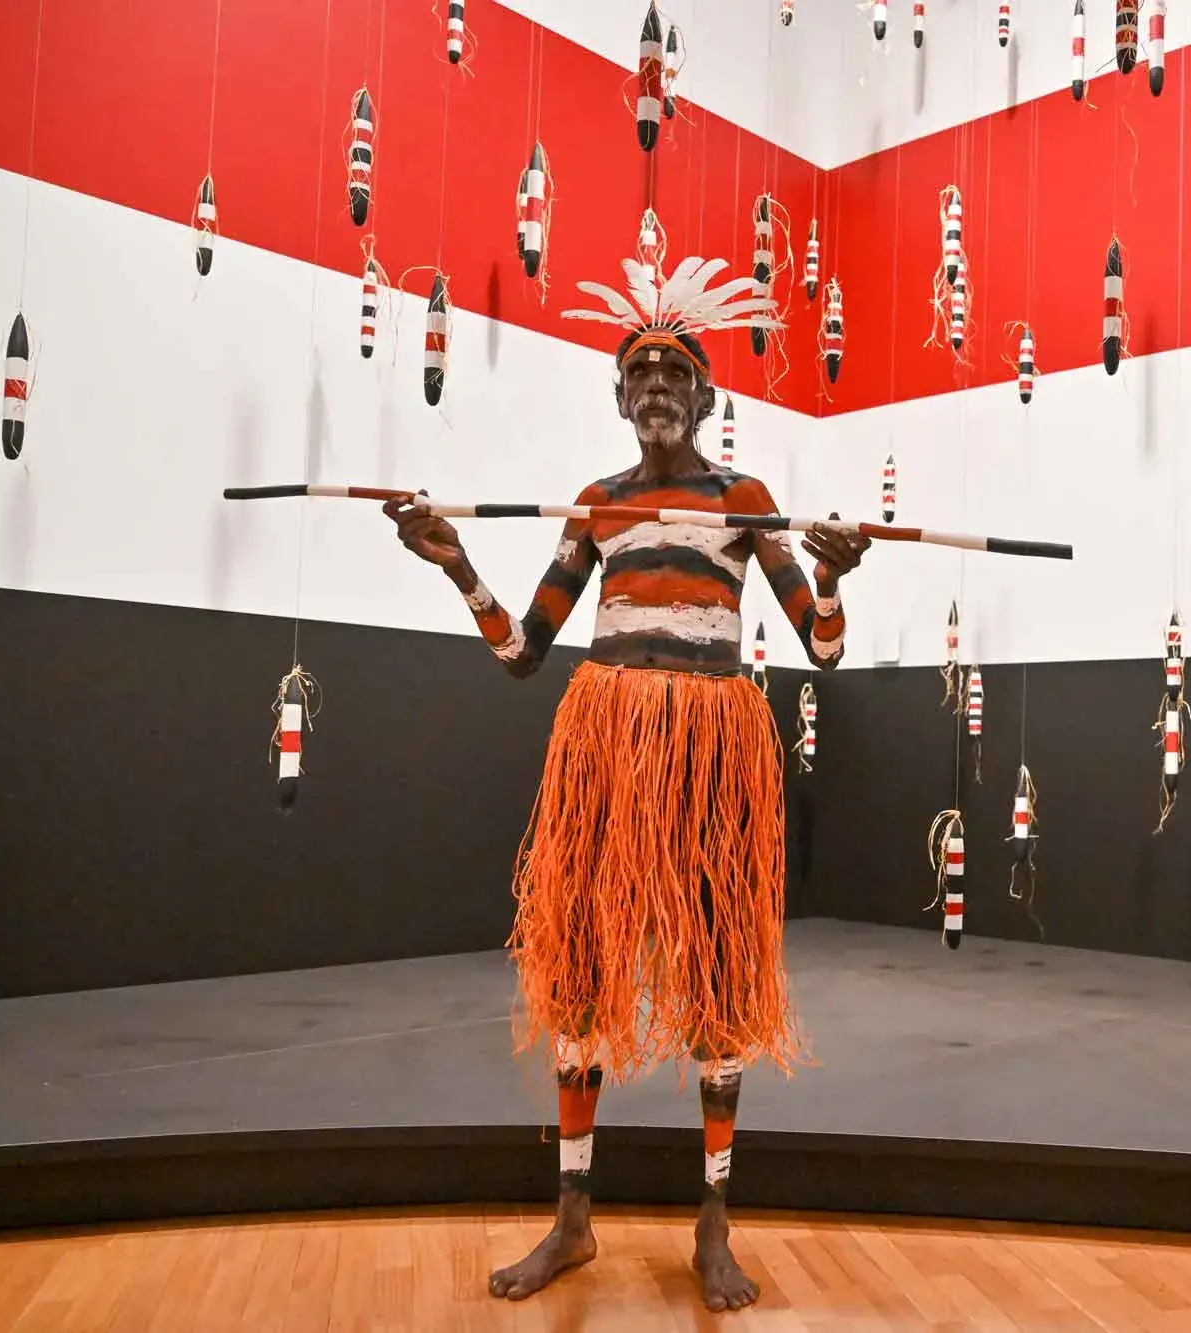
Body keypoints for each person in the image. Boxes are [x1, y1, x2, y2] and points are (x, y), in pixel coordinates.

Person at [383, 252, 867, 1312]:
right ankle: (571, 1218)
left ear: (703, 395)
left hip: (711, 756)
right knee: (580, 980)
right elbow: (523, 650)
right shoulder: (595, 507)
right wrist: (456, 564)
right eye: (637, 370)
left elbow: (821, 648)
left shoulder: (745, 501)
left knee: (719, 988)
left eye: (674, 371)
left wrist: (829, 570)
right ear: (619, 396)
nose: (655, 384)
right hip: (606, 749)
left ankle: (712, 1224)